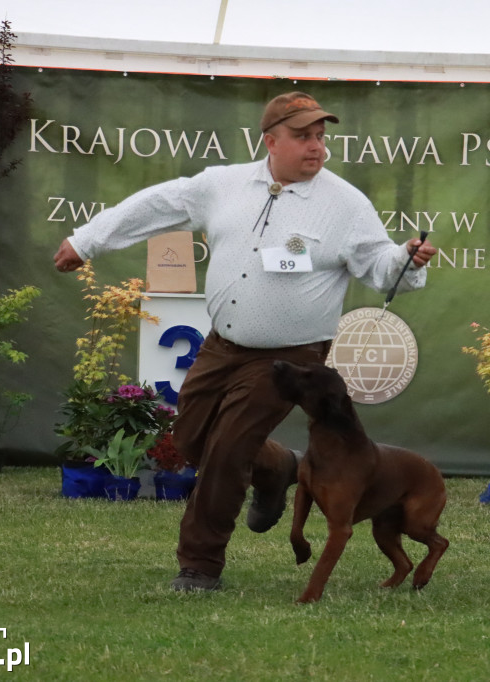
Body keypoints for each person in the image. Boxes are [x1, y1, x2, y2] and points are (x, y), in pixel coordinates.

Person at [53, 91, 437, 590]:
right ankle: (277, 465)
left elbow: (381, 265)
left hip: (291, 357)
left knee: (229, 450)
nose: (317, 147)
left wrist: (406, 258)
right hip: (222, 343)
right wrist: (88, 241)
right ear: (270, 140)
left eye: (321, 137)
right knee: (191, 438)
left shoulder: (345, 203)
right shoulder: (222, 184)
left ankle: (199, 566)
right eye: (303, 137)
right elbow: (155, 205)